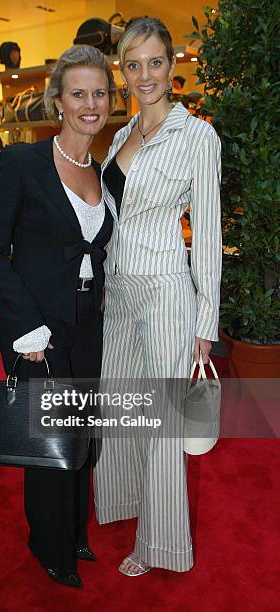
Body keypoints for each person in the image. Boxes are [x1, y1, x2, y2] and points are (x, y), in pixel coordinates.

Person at [0, 44, 116, 589]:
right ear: (58, 100)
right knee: (47, 445)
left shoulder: (101, 172)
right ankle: (48, 545)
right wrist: (23, 329)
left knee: (81, 438)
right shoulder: (22, 162)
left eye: (99, 93)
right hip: (37, 330)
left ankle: (74, 532)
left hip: (89, 326)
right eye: (78, 93)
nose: (90, 104)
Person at [93, 16, 222, 576]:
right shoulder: (121, 136)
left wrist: (206, 322)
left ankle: (160, 547)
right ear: (122, 71)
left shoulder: (197, 136)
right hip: (118, 293)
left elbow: (210, 234)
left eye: (154, 62)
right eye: (132, 64)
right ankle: (127, 504)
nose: (144, 75)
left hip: (168, 292)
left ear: (172, 65)